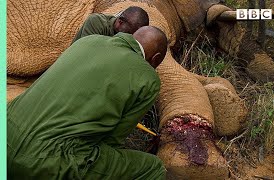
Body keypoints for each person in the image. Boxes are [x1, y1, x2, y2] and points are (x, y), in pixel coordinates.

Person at [7, 26, 168, 179]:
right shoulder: (148, 78)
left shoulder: (88, 41)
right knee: (153, 168)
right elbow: (112, 141)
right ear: (156, 58)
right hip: (43, 162)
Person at [71, 6, 149, 44]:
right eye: (131, 33)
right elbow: (86, 52)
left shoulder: (133, 40)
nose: (132, 37)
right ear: (120, 22)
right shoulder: (97, 22)